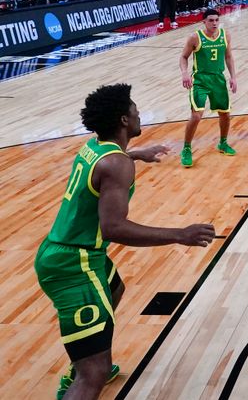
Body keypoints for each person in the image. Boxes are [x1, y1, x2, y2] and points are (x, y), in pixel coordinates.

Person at [34, 84, 215, 400]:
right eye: (134, 109)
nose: (138, 112)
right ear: (122, 120)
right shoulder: (117, 165)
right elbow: (115, 228)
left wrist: (136, 154)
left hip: (63, 249)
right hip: (75, 263)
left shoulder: (97, 149)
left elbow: (107, 165)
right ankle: (83, 371)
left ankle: (85, 359)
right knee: (95, 375)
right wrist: (179, 234)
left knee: (114, 287)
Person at [179, 9, 238, 167]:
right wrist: (185, 73)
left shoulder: (225, 35)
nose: (214, 23)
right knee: (197, 115)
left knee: (225, 114)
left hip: (218, 79)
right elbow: (184, 57)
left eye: (216, 20)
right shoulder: (195, 37)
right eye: (210, 20)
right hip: (200, 80)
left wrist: (233, 77)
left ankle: (223, 143)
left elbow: (228, 56)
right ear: (203, 22)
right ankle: (186, 148)